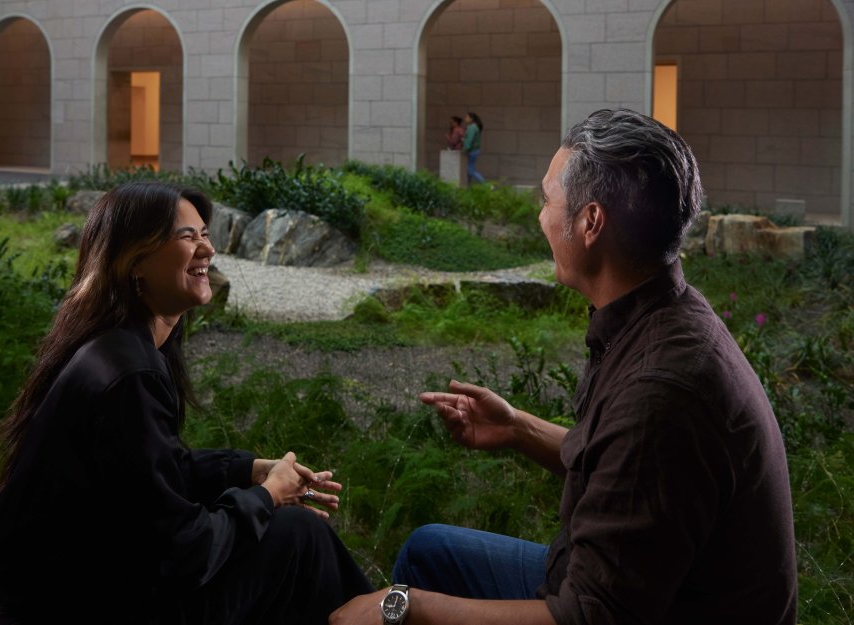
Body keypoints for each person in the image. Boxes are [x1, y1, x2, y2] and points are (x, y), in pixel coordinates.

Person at [330, 109, 798, 625]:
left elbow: (589, 618)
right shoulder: (662, 315)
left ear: (590, 222)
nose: (539, 217)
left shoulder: (662, 392)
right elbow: (618, 464)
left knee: (410, 589)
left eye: (548, 200)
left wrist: (404, 608)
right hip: (627, 587)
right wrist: (516, 428)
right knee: (429, 552)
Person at [0, 182, 373, 625]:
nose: (208, 248)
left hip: (90, 587)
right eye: (188, 236)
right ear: (135, 260)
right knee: (298, 535)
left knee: (292, 538)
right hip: (78, 604)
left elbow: (151, 476)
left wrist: (247, 470)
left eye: (205, 234)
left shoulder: (118, 348)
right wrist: (266, 496)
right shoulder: (127, 374)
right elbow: (186, 553)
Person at [462, 111, 484, 184]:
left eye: (467, 117)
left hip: (472, 151)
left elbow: (469, 140)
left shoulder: (472, 127)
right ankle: (468, 186)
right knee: (469, 170)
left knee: (470, 170)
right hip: (474, 150)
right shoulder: (474, 127)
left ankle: (486, 185)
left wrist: (465, 149)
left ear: (471, 119)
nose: (465, 118)